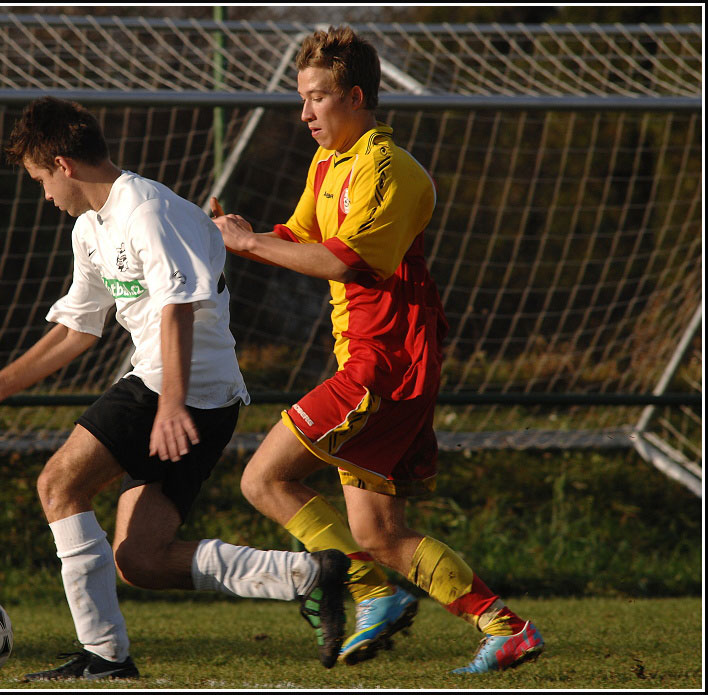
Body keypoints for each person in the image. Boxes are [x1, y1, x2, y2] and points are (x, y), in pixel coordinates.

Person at [0, 96, 349, 681]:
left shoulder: (148, 209)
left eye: (41, 180)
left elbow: (178, 306)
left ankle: (104, 656)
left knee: (58, 484)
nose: (44, 195)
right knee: (141, 560)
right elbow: (78, 328)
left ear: (64, 165)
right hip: (189, 395)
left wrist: (171, 403)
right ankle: (306, 575)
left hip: (177, 388)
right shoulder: (90, 229)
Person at [209, 26, 545, 675]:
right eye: (302, 98)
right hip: (369, 360)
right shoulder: (328, 164)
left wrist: (248, 245)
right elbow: (299, 237)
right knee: (378, 533)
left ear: (356, 97)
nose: (305, 113)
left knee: (263, 478)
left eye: (317, 98)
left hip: (386, 361)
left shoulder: (388, 169)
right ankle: (506, 628)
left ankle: (371, 593)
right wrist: (237, 233)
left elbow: (342, 261)